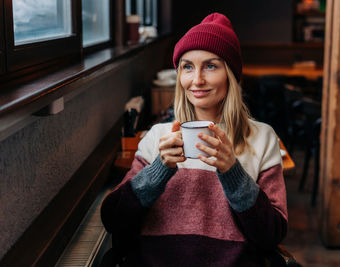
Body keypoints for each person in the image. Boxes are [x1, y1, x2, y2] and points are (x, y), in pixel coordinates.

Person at [101, 12, 287, 267]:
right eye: (187, 66)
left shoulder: (262, 138)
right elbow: (114, 220)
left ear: (230, 75)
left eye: (210, 66)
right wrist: (159, 170)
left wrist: (232, 172)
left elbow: (271, 235)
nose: (197, 80)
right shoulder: (157, 137)